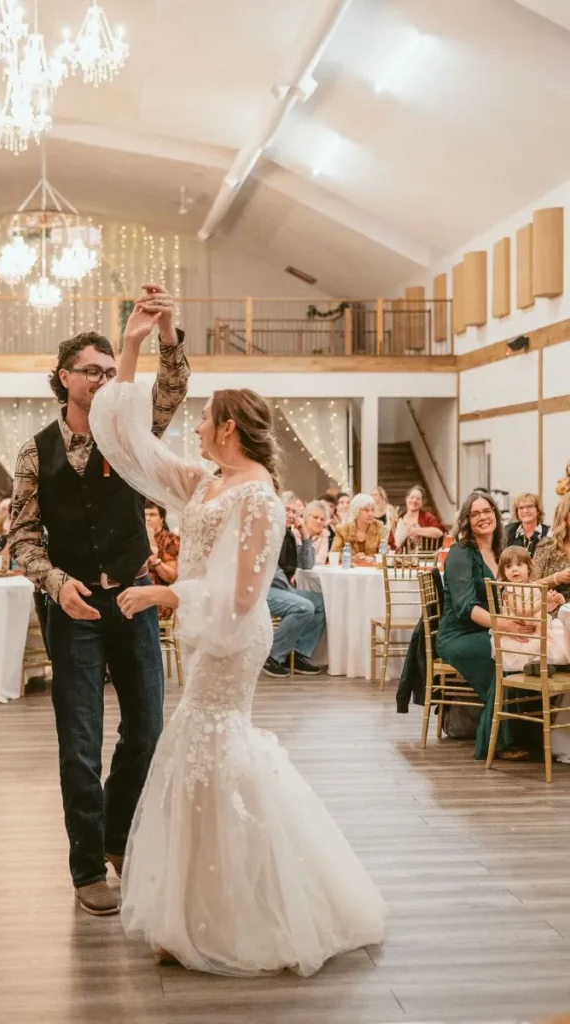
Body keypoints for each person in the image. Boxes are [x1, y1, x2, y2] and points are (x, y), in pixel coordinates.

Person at [87, 338, 385, 977]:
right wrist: (134, 342)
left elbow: (247, 596)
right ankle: (199, 910)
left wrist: (169, 590)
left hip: (230, 643)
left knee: (209, 752)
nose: (191, 425)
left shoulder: (260, 498)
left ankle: (234, 912)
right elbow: (129, 440)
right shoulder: (208, 482)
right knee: (202, 758)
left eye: (201, 418)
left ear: (227, 428)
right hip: (202, 636)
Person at [9, 284, 189, 917]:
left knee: (147, 728)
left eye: (112, 371)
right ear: (64, 378)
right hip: (74, 609)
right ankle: (88, 866)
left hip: (133, 600)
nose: (105, 379)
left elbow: (169, 391)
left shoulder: (128, 430)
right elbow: (22, 537)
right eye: (93, 371)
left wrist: (160, 334)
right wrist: (56, 583)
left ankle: (117, 836)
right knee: (78, 743)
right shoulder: (36, 450)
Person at [436, 492, 533, 761]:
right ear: (466, 520)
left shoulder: (501, 550)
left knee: (529, 655)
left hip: (489, 629)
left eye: (487, 511)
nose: (483, 517)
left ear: (496, 513)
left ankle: (528, 734)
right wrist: (505, 626)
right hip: (459, 634)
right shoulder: (460, 553)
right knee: (504, 660)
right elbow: (466, 607)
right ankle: (495, 743)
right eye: (475, 513)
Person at [264, 497, 325, 678]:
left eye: (295, 513)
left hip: (283, 590)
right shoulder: (268, 533)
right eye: (287, 510)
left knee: (321, 603)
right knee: (304, 607)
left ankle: (298, 653)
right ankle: (273, 657)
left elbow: (307, 564)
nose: (291, 515)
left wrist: (305, 535)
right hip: (263, 591)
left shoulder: (290, 535)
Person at [493, 546, 567, 672]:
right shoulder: (509, 591)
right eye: (508, 566)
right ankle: (535, 668)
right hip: (521, 633)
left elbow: (545, 610)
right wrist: (543, 601)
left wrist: (554, 600)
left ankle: (544, 667)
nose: (514, 569)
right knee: (533, 648)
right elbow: (522, 613)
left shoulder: (534, 586)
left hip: (538, 629)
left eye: (519, 564)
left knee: (561, 636)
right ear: (503, 572)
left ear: (528, 568)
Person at [144, 502, 180, 618]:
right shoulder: (134, 539)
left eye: (152, 515)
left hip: (160, 599)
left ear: (161, 519)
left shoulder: (170, 540)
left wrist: (156, 562)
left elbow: (172, 577)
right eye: (144, 515)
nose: (147, 518)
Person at [533, 493, 570, 604]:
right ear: (563, 515)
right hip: (554, 613)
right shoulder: (547, 546)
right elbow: (530, 587)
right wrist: (557, 578)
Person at [331, 493, 382, 564]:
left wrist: (373, 558)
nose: (371, 514)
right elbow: (334, 554)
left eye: (372, 510)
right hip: (349, 571)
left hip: (372, 570)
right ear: (356, 511)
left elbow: (385, 553)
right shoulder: (343, 529)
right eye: (366, 510)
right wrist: (352, 558)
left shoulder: (379, 526)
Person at [388, 485, 444, 551]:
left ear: (422, 502)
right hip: (401, 558)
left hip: (424, 558)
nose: (414, 500)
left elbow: (439, 533)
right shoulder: (399, 518)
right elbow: (391, 542)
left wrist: (414, 530)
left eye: (418, 498)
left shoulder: (427, 517)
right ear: (406, 499)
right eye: (412, 497)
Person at [303, 499, 332, 564]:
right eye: (315, 517)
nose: (319, 521)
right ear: (306, 517)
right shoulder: (297, 531)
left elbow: (321, 560)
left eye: (322, 519)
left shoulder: (324, 534)